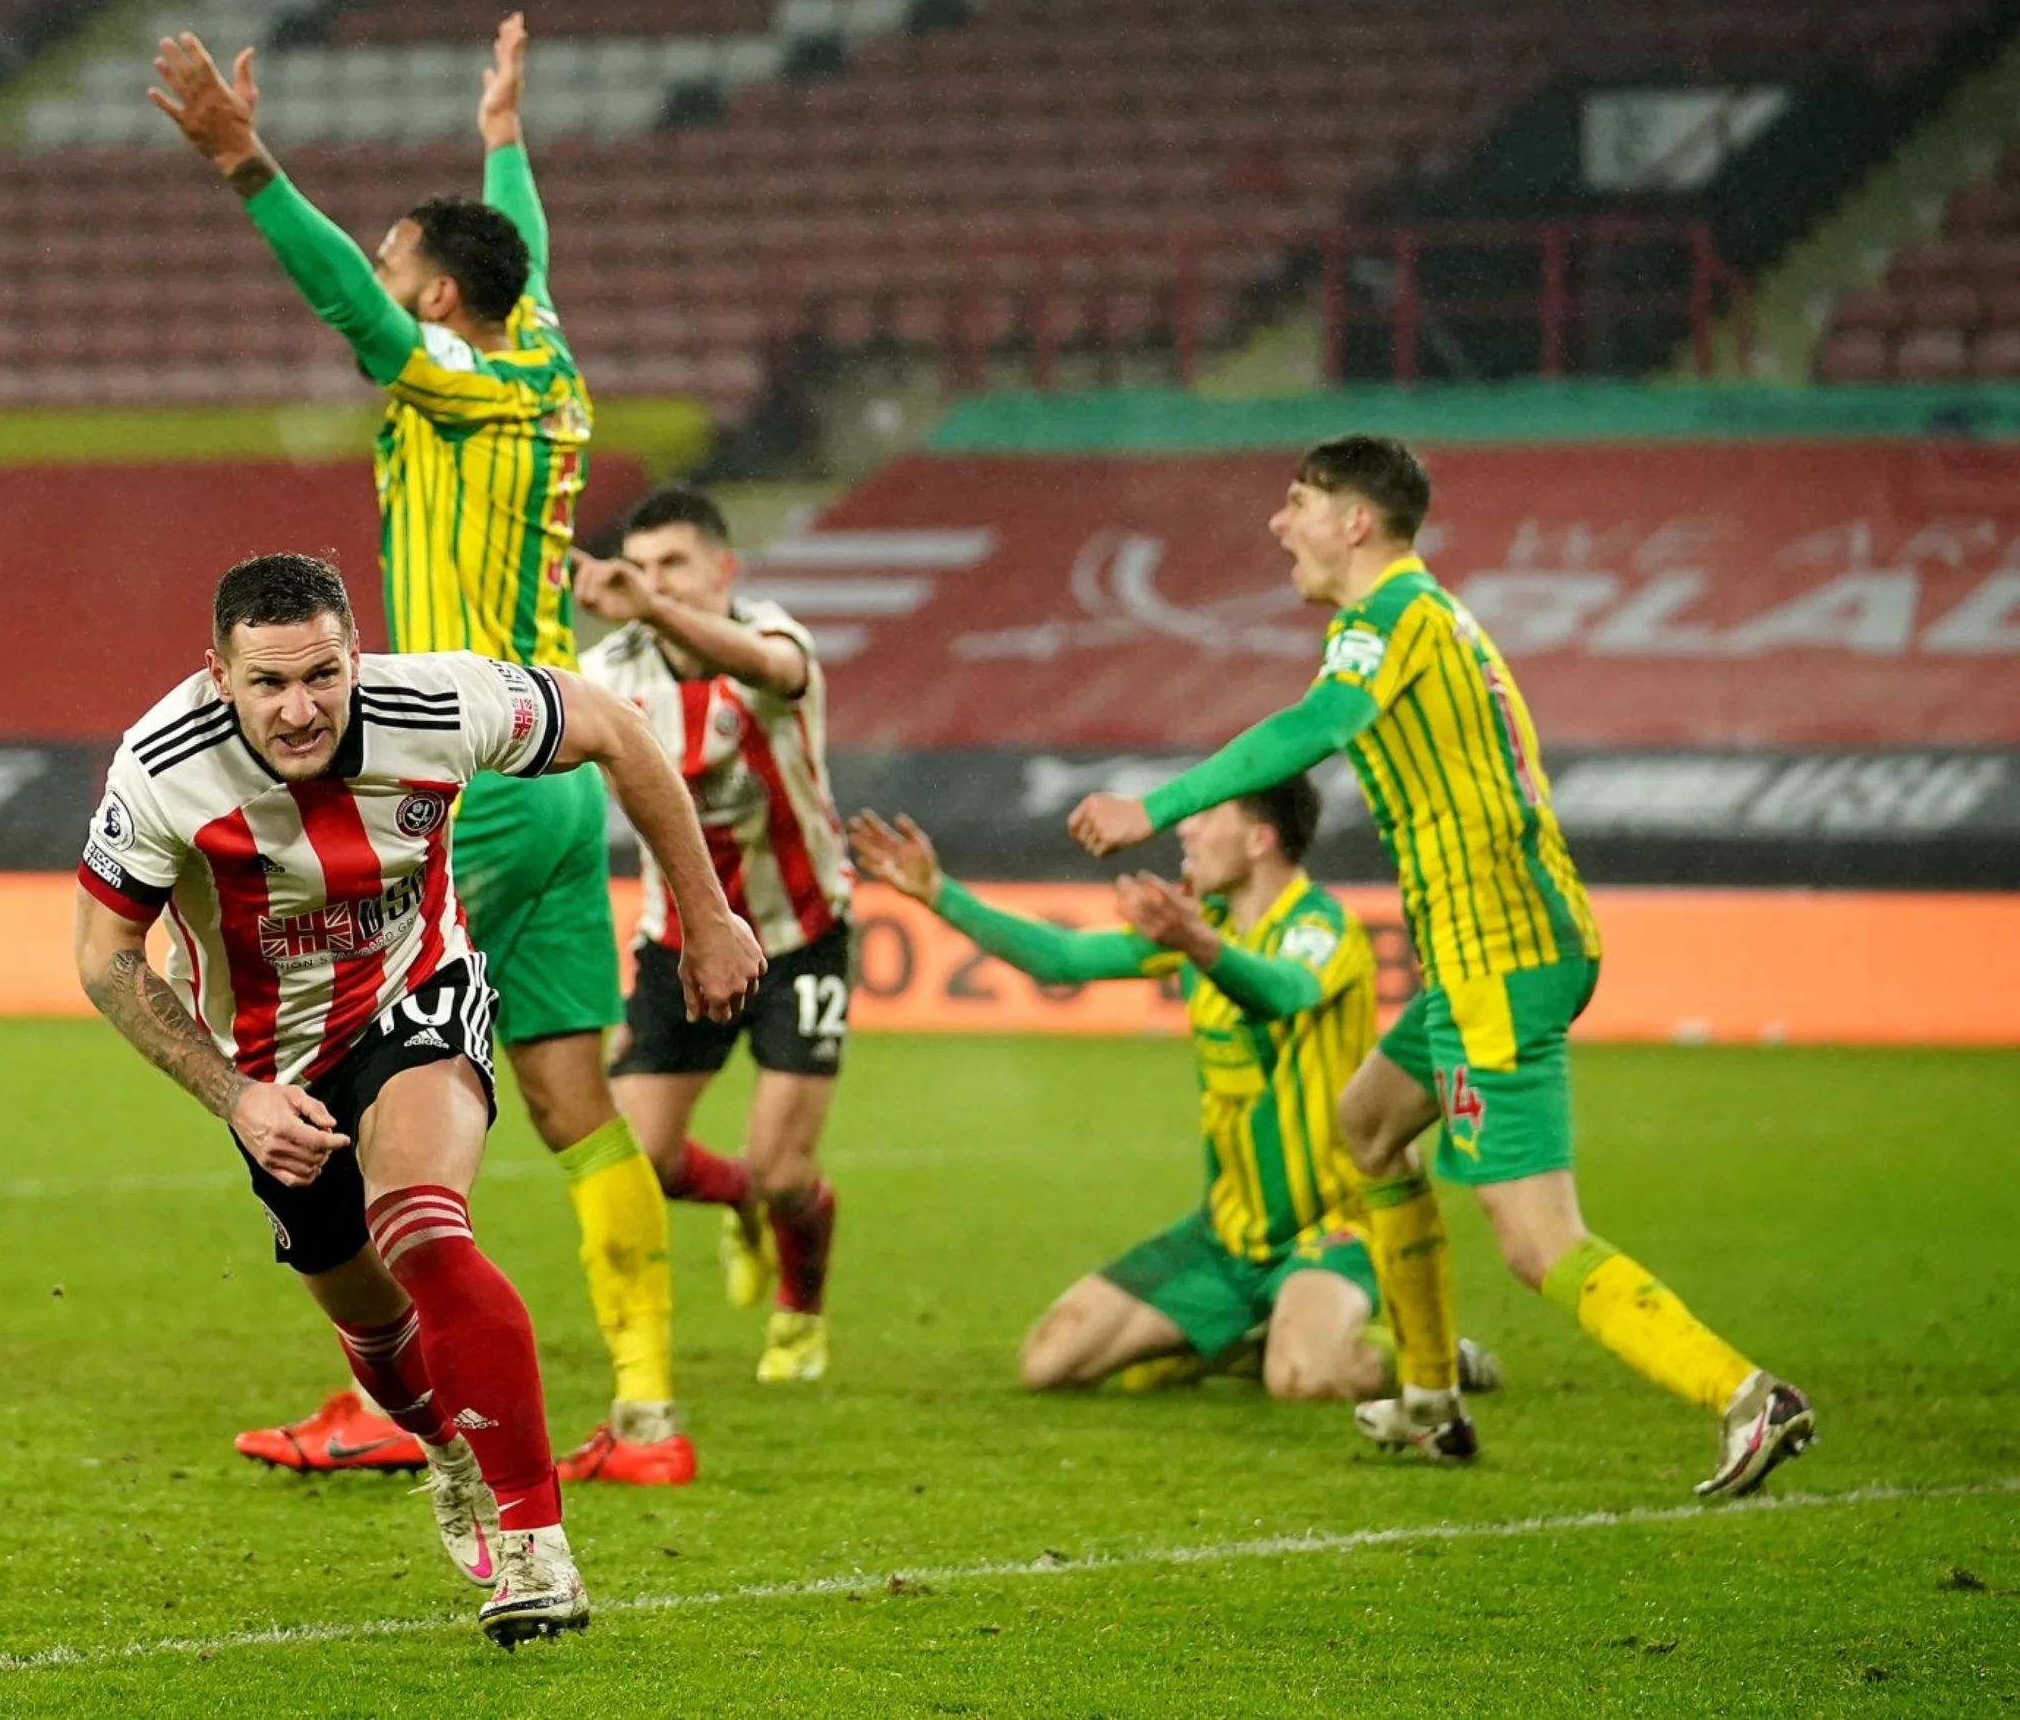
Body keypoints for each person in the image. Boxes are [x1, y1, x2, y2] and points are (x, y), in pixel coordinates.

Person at [156, 14, 700, 1483]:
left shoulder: (455, 379)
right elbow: (524, 254)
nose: (384, 276)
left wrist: (248, 166)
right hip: (562, 776)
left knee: (352, 1069)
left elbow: (360, 315)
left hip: (468, 771)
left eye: (403, 260)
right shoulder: (550, 360)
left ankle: (388, 1384)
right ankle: (651, 1415)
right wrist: (503, 139)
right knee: (573, 1105)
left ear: (445, 299)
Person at [1067, 435, 1814, 1497]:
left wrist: (1154, 804)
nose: (1279, 522)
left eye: (1298, 502)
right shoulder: (1414, 619)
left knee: (1537, 1238)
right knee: (1369, 1125)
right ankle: (1428, 1398)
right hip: (1480, 957)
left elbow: (1318, 724)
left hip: (1501, 959)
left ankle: (1745, 1394)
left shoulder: (1393, 616)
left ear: (1355, 521)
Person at [71, 553, 763, 1645]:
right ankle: (448, 1449)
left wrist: (708, 915)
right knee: (374, 1323)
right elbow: (107, 955)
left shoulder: (436, 701)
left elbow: (619, 731)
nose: (300, 708)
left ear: (357, 655)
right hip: (269, 1065)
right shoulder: (162, 767)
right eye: (268, 683)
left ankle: (537, 1548)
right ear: (218, 675)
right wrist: (235, 1096)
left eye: (323, 674)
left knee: (425, 1230)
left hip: (417, 998)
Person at [853, 784, 1498, 1404]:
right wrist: (938, 893)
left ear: (1259, 839)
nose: (1185, 828)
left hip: (1334, 1226)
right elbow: (1063, 958)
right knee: (1050, 1362)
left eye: (1206, 815)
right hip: (1228, 1234)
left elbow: (1282, 993)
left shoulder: (1321, 929)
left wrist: (1200, 946)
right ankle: (1253, 1338)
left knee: (1306, 1379)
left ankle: (1433, 1356)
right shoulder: (1202, 926)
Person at [573, 487, 854, 1403]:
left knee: (786, 1169)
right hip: (680, 941)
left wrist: (650, 607)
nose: (652, 582)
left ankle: (799, 1310)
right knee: (644, 1158)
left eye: (672, 565)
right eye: (639, 567)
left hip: (799, 933)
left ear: (723, 569)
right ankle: (737, 1199)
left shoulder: (773, 636)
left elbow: (772, 669)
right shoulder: (606, 673)